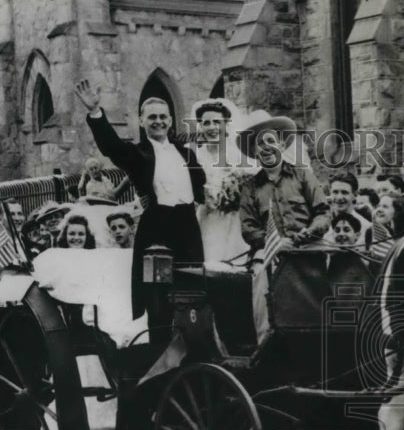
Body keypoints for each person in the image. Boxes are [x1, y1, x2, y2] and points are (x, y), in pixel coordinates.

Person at [74, 79, 206, 321]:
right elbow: (112, 147)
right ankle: (161, 347)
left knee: (193, 289)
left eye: (163, 117)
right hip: (157, 232)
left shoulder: (186, 152)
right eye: (152, 117)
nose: (158, 121)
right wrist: (95, 112)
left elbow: (202, 187)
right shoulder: (138, 154)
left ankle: (193, 347)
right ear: (142, 121)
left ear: (171, 120)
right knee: (159, 294)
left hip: (188, 228)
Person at [236, 110, 330, 252]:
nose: (266, 147)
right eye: (260, 143)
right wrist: (274, 242)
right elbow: (249, 228)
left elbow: (323, 212)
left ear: (281, 145)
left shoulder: (303, 175)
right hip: (271, 257)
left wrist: (310, 231)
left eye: (271, 141)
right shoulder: (250, 188)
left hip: (309, 253)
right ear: (254, 151)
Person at [190, 98, 253, 265]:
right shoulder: (194, 155)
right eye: (206, 123)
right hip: (205, 218)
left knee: (233, 263)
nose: (212, 127)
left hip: (233, 220)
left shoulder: (239, 155)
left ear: (226, 125)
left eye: (217, 122)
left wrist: (234, 196)